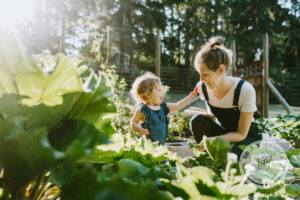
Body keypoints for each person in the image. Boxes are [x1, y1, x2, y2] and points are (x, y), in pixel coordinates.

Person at [189, 36, 262, 156]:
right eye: (200, 74)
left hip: (246, 137)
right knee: (197, 121)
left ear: (221, 69)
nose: (201, 79)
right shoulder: (203, 87)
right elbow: (212, 114)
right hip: (226, 133)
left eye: (205, 74)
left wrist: (214, 140)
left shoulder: (244, 90)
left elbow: (241, 134)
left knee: (232, 157)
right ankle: (210, 154)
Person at [130, 72, 195, 145]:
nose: (162, 92)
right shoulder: (142, 109)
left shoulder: (163, 107)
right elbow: (133, 123)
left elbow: (178, 105)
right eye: (159, 90)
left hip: (161, 146)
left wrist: (190, 97)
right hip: (146, 146)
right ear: (148, 93)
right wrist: (139, 129)